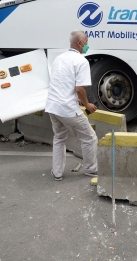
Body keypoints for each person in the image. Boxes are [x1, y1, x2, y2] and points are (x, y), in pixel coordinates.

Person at [45, 30, 98, 181]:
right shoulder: (81, 61)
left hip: (52, 106)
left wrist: (77, 98)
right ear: (80, 43)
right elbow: (80, 88)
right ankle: (91, 169)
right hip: (67, 109)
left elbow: (63, 82)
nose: (87, 44)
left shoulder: (59, 59)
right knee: (89, 138)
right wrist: (87, 104)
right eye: (86, 41)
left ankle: (57, 172)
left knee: (59, 137)